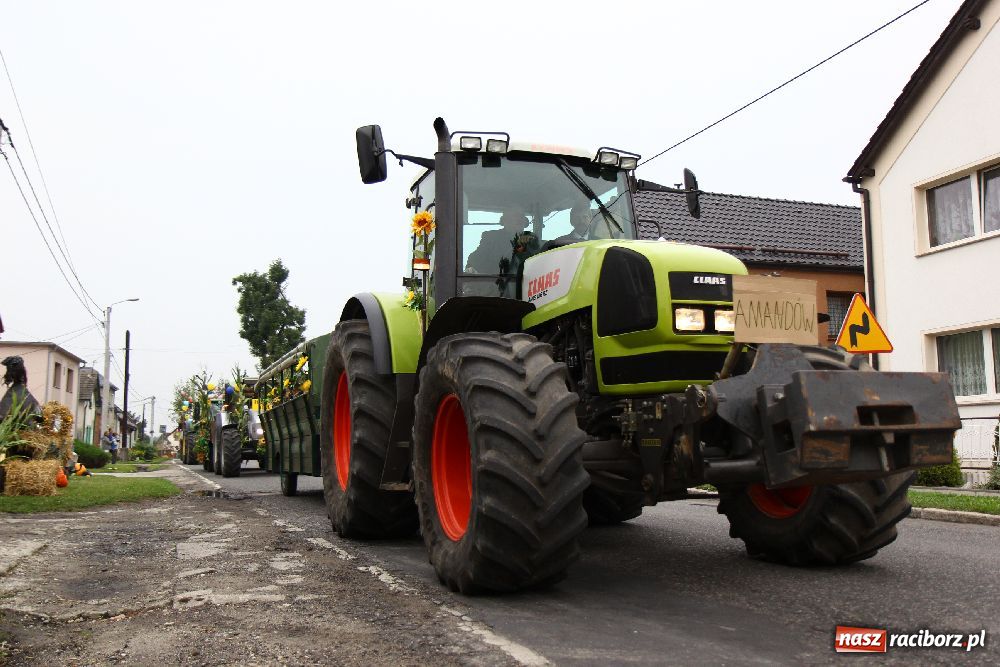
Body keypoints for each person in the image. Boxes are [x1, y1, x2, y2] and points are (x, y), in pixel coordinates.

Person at [466, 210, 532, 275]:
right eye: (516, 216)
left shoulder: (532, 240)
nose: (520, 219)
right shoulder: (491, 237)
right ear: (505, 221)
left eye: (522, 216)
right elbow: (475, 259)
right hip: (497, 281)